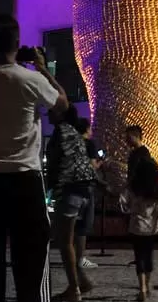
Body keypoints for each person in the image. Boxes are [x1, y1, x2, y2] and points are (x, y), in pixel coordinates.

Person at [0, 14, 68, 302]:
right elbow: (62, 103)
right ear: (18, 43)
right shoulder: (31, 79)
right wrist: (42, 68)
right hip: (24, 177)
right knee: (31, 259)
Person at [46, 107, 97, 302]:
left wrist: (49, 188)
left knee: (64, 241)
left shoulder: (62, 132)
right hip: (84, 191)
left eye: (52, 110)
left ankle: (74, 289)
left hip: (70, 191)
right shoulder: (75, 134)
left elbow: (54, 163)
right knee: (70, 240)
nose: (49, 113)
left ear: (60, 114)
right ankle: (81, 281)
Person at [119, 155, 158, 301]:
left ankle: (142, 289)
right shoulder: (157, 191)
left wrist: (129, 211)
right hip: (152, 228)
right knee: (148, 256)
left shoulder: (133, 189)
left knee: (138, 256)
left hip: (136, 227)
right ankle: (148, 284)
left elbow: (122, 202)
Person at [80, 124, 104, 269]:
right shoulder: (89, 144)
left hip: (72, 186)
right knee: (84, 225)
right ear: (87, 130)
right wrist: (101, 162)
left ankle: (71, 256)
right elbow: (93, 166)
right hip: (87, 187)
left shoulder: (73, 144)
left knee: (74, 224)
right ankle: (80, 258)